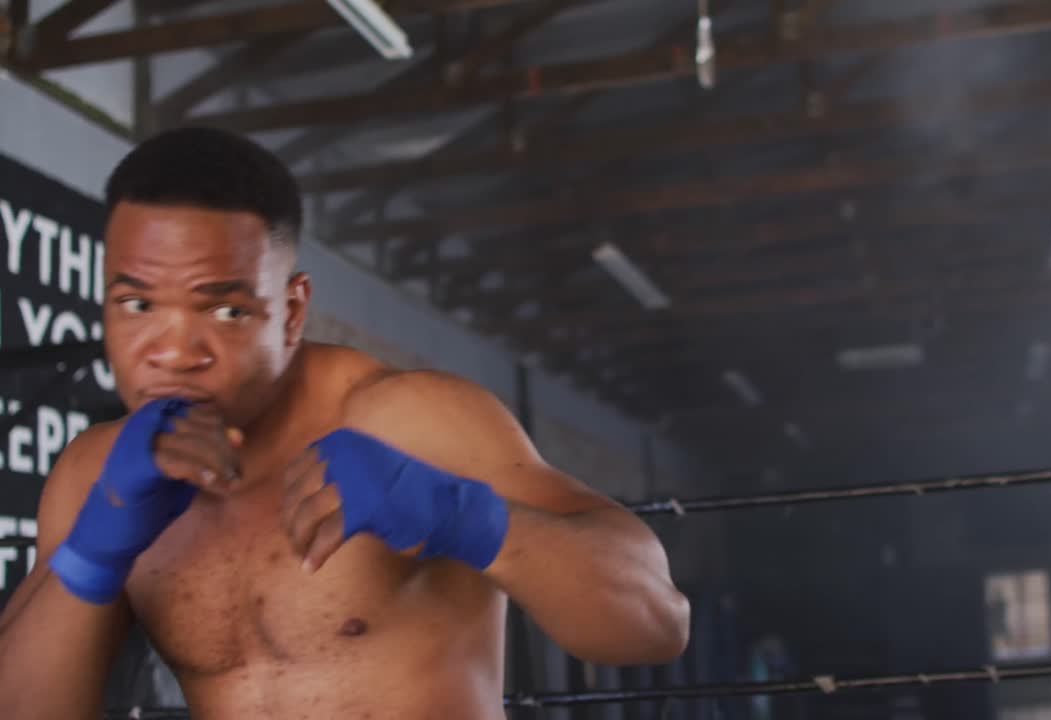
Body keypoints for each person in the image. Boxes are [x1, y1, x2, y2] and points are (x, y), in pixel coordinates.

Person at [0, 127, 690, 719]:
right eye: (137, 304)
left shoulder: (406, 418)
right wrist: (94, 551)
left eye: (226, 310)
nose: (175, 352)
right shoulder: (96, 473)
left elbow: (656, 622)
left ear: (293, 310)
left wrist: (457, 514)